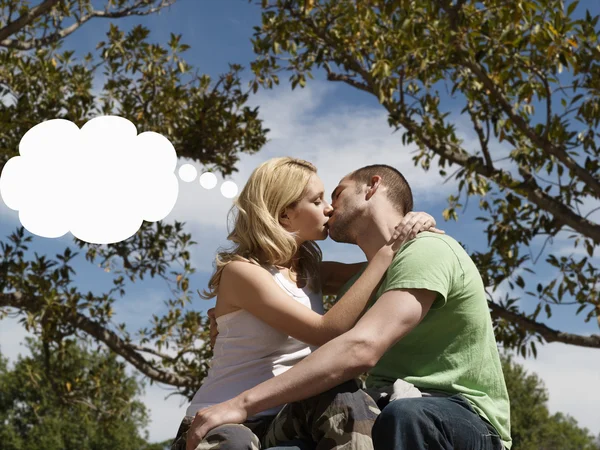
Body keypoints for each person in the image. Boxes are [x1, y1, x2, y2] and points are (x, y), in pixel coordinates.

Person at [188, 164, 512, 450]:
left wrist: (416, 221)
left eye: (336, 194)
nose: (329, 208)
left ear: (372, 186)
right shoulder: (347, 275)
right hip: (257, 416)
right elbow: (316, 319)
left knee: (381, 407)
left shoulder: (422, 253)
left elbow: (360, 346)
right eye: (318, 200)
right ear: (284, 213)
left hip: (452, 414)